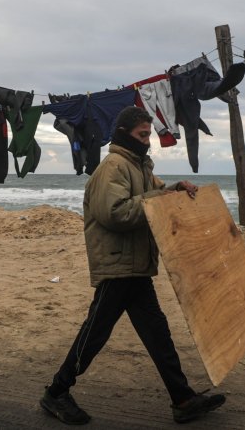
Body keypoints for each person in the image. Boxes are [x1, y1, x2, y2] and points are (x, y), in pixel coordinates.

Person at [41, 107, 226, 425]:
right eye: (143, 135)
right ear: (125, 132)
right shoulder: (114, 166)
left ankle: (182, 399)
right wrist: (157, 200)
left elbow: (155, 195)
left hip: (135, 266)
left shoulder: (140, 166)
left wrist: (175, 190)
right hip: (117, 265)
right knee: (94, 334)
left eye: (149, 134)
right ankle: (56, 393)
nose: (148, 141)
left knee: (157, 333)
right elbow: (114, 213)